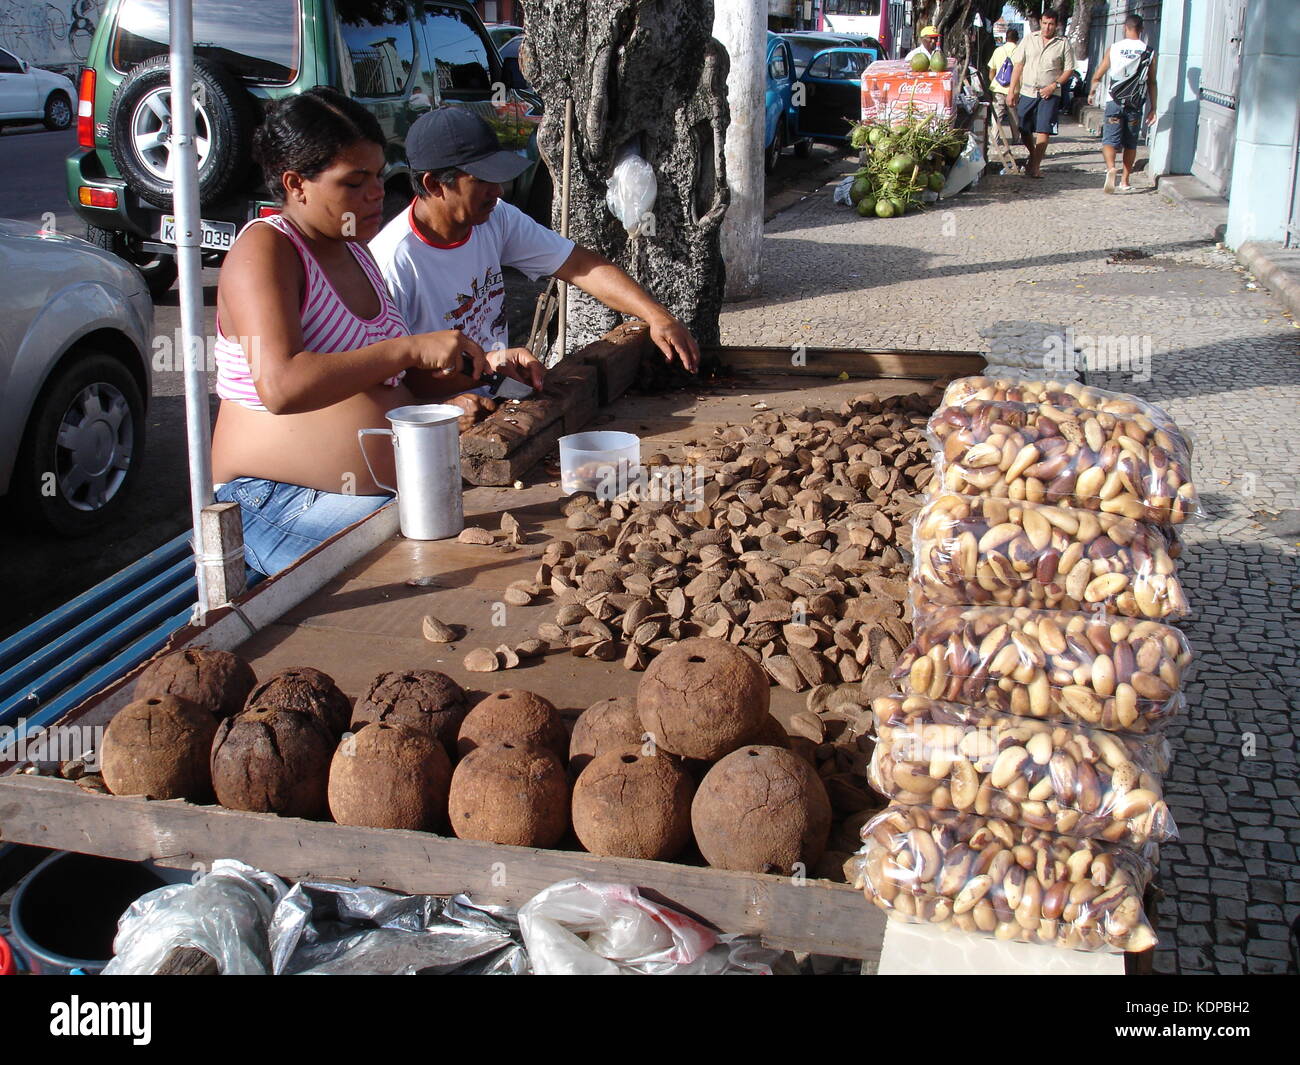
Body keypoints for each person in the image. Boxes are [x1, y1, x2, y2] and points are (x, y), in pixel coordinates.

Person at [209, 88, 492, 577]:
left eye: (379, 176)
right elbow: (282, 386)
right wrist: (407, 348)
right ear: (297, 184)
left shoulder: (357, 251)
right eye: (354, 182)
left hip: (364, 495)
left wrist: (475, 371)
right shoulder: (266, 250)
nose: (376, 193)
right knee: (424, 577)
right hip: (268, 500)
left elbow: (388, 384)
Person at [370, 107, 700, 431]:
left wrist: (656, 316)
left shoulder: (495, 217)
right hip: (435, 433)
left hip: (501, 402)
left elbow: (579, 264)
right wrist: (439, 414)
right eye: (482, 180)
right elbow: (379, 384)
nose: (497, 191)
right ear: (434, 184)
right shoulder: (392, 264)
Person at [1088, 13, 1158, 194]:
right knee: (1130, 142)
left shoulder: (1114, 48)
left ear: (1124, 28)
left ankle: (1111, 167)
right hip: (1134, 103)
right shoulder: (1148, 51)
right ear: (1141, 30)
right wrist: (1153, 107)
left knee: (1109, 140)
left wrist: (1092, 91)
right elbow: (1152, 81)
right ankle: (1125, 180)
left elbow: (1099, 73)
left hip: (1114, 100)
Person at [1006, 9, 1076, 179]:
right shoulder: (1030, 39)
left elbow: (1069, 69)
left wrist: (1054, 85)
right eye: (1044, 23)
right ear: (1040, 22)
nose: (1047, 27)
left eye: (1051, 24)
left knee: (1043, 129)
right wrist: (1011, 90)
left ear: (1056, 25)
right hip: (1028, 90)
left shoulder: (1063, 43)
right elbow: (1018, 65)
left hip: (1050, 93)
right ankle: (1033, 154)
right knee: (1023, 127)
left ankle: (1035, 165)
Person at [988, 28, 1021, 148]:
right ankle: (1016, 138)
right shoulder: (1020, 51)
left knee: (997, 115)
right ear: (1017, 39)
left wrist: (995, 82)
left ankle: (995, 139)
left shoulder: (998, 50)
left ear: (1006, 38)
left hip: (998, 88)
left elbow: (992, 71)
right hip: (1015, 89)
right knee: (1014, 115)